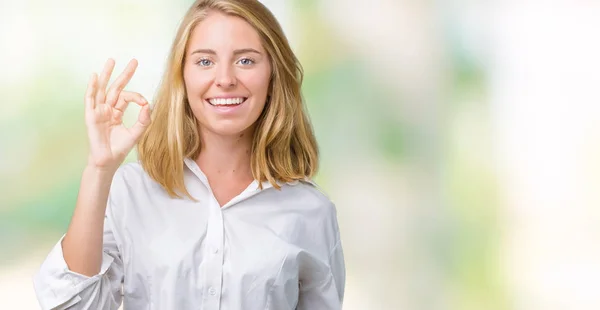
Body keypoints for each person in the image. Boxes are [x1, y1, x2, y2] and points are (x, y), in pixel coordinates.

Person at [32, 0, 345, 309]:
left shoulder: (311, 212)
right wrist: (99, 169)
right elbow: (72, 305)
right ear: (181, 75)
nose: (225, 79)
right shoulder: (132, 191)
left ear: (273, 74)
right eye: (205, 62)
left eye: (246, 61)